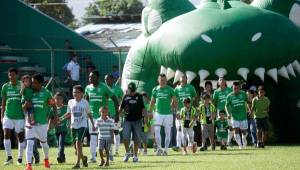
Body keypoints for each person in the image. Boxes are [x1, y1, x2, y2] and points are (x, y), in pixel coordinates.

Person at [84, 71, 119, 163]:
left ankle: (110, 156)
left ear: (97, 77)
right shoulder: (88, 88)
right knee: (93, 136)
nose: (90, 78)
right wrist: (85, 114)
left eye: (92, 77)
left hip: (104, 117)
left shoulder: (104, 87)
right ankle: (93, 157)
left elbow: (115, 99)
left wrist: (117, 114)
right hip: (92, 117)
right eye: (89, 77)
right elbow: (86, 101)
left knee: (107, 137)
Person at [24, 73, 57, 170]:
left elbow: (53, 105)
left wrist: (55, 116)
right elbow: (23, 107)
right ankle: (28, 165)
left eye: (35, 83)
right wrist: (26, 105)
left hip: (42, 124)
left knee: (44, 144)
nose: (33, 85)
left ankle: (46, 159)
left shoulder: (46, 93)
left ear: (41, 83)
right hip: (30, 122)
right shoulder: (28, 92)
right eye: (32, 83)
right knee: (29, 143)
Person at [60, 85, 95, 169]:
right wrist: (61, 118)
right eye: (74, 92)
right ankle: (83, 158)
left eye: (77, 92)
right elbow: (69, 113)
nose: (75, 94)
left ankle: (78, 164)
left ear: (82, 93)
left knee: (78, 143)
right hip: (73, 126)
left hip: (82, 125)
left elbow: (89, 114)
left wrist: (93, 125)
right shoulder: (70, 102)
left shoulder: (85, 102)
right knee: (76, 147)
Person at [1, 68, 25, 165]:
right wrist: (2, 116)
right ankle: (9, 157)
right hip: (8, 115)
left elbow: (26, 99)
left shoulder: (22, 85)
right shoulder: (5, 86)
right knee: (6, 134)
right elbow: (3, 102)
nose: (11, 77)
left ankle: (20, 158)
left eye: (13, 75)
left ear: (17, 75)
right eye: (9, 75)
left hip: (19, 116)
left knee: (20, 137)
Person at [149, 74, 178, 156]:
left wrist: (177, 110)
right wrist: (150, 112)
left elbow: (175, 100)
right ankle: (159, 148)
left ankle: (165, 150)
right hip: (158, 113)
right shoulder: (155, 89)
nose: (163, 81)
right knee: (157, 131)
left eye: (164, 80)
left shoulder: (170, 89)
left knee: (167, 133)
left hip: (168, 114)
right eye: (161, 80)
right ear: (158, 80)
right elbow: (152, 101)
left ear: (166, 80)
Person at [119, 82, 146, 162]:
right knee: (125, 136)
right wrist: (120, 112)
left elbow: (143, 108)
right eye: (130, 90)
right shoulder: (125, 96)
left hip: (138, 120)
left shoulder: (139, 96)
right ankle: (127, 153)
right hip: (127, 120)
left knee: (136, 139)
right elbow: (120, 108)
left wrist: (145, 118)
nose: (132, 92)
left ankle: (135, 156)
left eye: (133, 91)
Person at [174, 74, 197, 151]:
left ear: (187, 80)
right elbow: (174, 100)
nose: (183, 80)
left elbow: (194, 98)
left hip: (190, 112)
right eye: (182, 79)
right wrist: (177, 110)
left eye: (184, 79)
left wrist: (193, 109)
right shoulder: (176, 89)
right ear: (179, 80)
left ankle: (191, 144)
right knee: (179, 128)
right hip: (180, 112)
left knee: (190, 129)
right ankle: (178, 146)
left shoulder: (191, 87)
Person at [104, 74, 123, 156]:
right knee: (106, 133)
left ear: (112, 80)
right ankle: (108, 151)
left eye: (108, 79)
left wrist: (120, 111)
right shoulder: (103, 88)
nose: (106, 81)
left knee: (116, 132)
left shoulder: (118, 89)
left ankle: (116, 151)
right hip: (105, 115)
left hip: (115, 114)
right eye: (105, 79)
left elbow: (123, 100)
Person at [225, 81, 248, 149]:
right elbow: (226, 106)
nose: (236, 90)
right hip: (234, 117)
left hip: (243, 116)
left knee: (244, 132)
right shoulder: (229, 96)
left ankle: (244, 141)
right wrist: (228, 113)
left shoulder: (243, 94)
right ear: (232, 88)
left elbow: (247, 101)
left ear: (240, 88)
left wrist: (249, 109)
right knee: (236, 131)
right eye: (235, 88)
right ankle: (240, 145)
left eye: (237, 88)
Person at [212, 77, 234, 146]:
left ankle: (229, 141)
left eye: (223, 80)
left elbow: (233, 100)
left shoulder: (230, 90)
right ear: (218, 83)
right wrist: (214, 112)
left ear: (225, 82)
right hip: (220, 112)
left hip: (228, 112)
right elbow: (214, 103)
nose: (221, 81)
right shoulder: (216, 92)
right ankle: (221, 142)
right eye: (220, 80)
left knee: (230, 126)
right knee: (219, 127)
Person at [53, 92, 68, 163]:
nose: (59, 100)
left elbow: (69, 115)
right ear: (54, 100)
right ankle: (63, 158)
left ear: (62, 100)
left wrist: (61, 119)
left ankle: (59, 156)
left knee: (61, 143)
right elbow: (50, 118)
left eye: (60, 99)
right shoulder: (53, 109)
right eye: (57, 99)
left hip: (64, 129)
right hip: (56, 129)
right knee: (59, 144)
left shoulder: (65, 108)